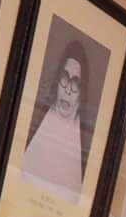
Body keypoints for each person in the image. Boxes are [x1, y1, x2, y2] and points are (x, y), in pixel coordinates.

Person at [17, 38, 93, 195]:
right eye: (65, 77)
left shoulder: (87, 148)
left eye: (76, 83)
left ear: (81, 93)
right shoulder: (33, 120)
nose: (68, 90)